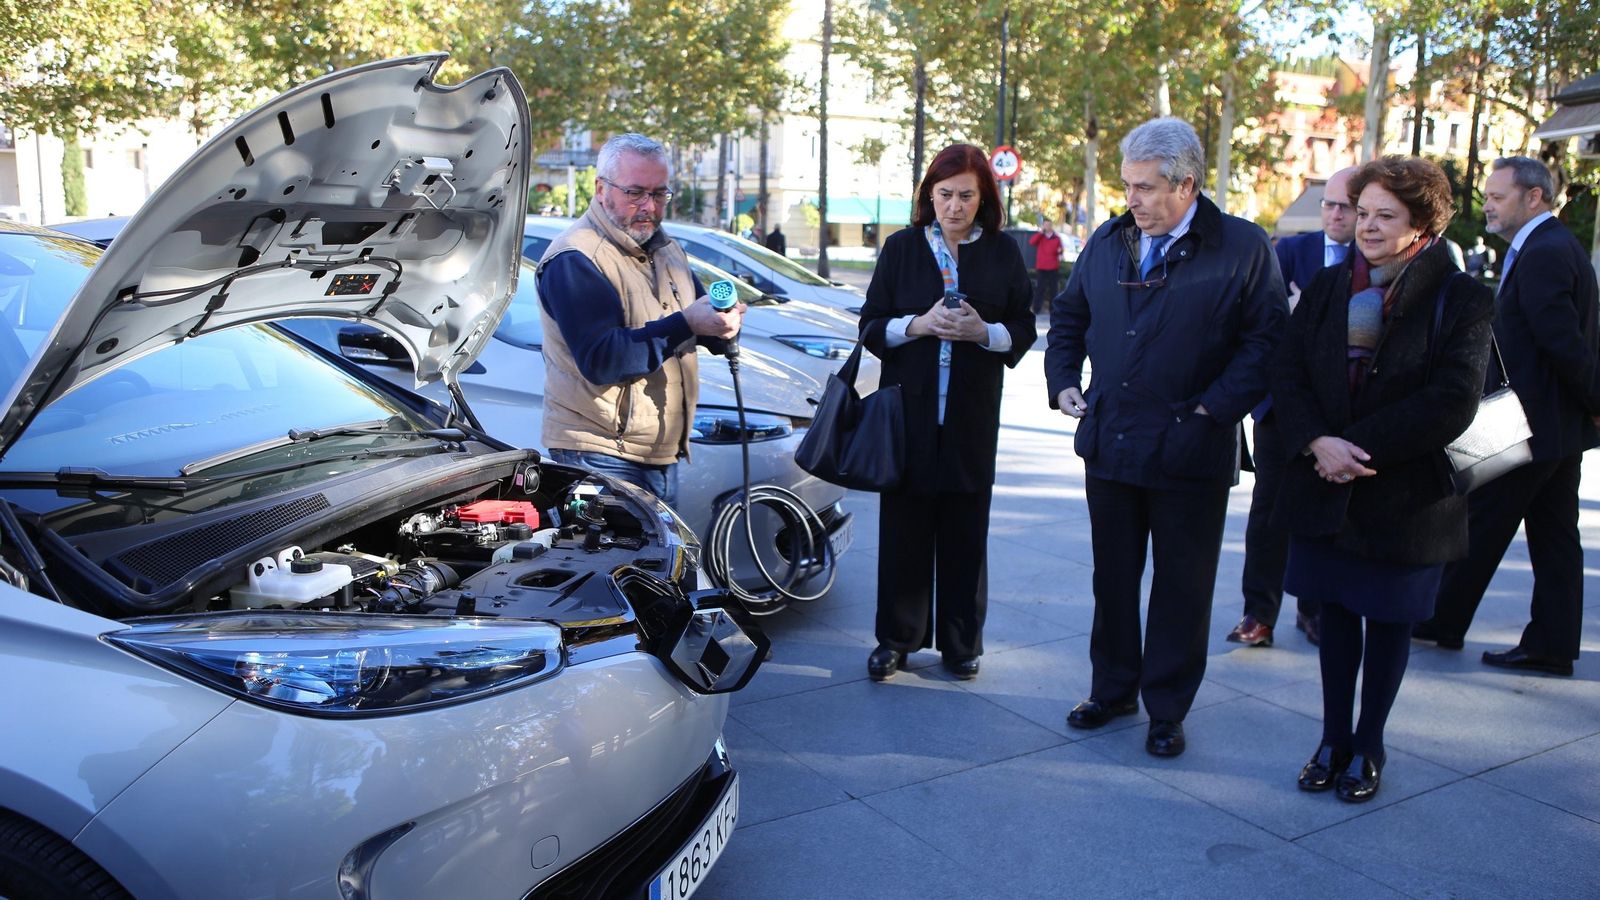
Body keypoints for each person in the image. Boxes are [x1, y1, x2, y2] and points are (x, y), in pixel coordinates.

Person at [1046, 118, 1283, 757]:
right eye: (1127, 186)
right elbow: (1070, 315)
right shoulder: (1110, 240)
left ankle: (1168, 707)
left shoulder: (1242, 246)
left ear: (1187, 185)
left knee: (1182, 585)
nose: (1134, 201)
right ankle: (1113, 688)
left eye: (1147, 189)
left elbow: (1265, 344)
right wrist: (1064, 379)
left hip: (1191, 448)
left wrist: (1210, 412)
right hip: (1113, 442)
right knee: (1113, 579)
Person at [1272, 156, 1494, 803]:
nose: (1365, 226)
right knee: (1334, 617)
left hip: (1405, 498)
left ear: (1422, 222)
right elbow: (1286, 372)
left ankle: (1369, 746)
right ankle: (1332, 739)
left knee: (1390, 622)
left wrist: (1353, 448)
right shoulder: (1327, 286)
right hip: (1324, 484)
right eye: (1360, 213)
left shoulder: (1464, 298)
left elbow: (1453, 400)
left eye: (1383, 216)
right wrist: (1318, 441)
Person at [858, 143, 1036, 682]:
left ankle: (962, 644)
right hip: (907, 416)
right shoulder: (902, 249)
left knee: (965, 530)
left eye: (966, 196)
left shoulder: (1003, 254)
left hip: (969, 417)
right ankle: (896, 639)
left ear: (984, 199)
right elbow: (870, 325)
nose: (954, 207)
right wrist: (917, 325)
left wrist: (985, 332)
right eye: (944, 195)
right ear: (927, 196)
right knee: (903, 530)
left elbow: (1024, 329)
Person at [1417, 157, 1600, 676]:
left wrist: (1597, 401)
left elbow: (1564, 344)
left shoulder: (1544, 252)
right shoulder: (1551, 246)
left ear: (1534, 197)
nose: (1488, 206)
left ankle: (1441, 620)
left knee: (1478, 520)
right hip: (1552, 427)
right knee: (1555, 537)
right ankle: (1551, 644)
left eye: (1497, 197)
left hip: (1529, 425)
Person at [536, 133, 744, 506]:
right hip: (600, 454)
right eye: (636, 193)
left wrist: (722, 326)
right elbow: (603, 359)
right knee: (622, 566)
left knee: (662, 564)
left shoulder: (667, 249)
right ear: (601, 189)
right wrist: (688, 324)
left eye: (660, 193)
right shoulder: (577, 257)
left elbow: (696, 320)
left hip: (659, 452)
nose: (649, 205)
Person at [1228, 165, 1357, 649]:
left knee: (1326, 515)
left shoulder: (1373, 260)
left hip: (1340, 411)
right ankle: (1258, 613)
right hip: (1281, 407)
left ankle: (1315, 609)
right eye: (1330, 204)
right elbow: (1261, 320)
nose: (1337, 214)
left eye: (1348, 205)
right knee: (1269, 512)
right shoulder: (1291, 252)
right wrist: (1298, 313)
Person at [1028, 219, 1065, 314]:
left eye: (1048, 225)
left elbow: (1060, 250)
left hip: (1053, 267)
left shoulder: (1056, 238)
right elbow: (1032, 242)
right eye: (1045, 225)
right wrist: (1041, 233)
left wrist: (1060, 252)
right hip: (1042, 267)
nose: (1047, 227)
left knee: (1054, 289)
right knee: (1040, 288)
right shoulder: (1040, 237)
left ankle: (1052, 309)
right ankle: (1036, 309)